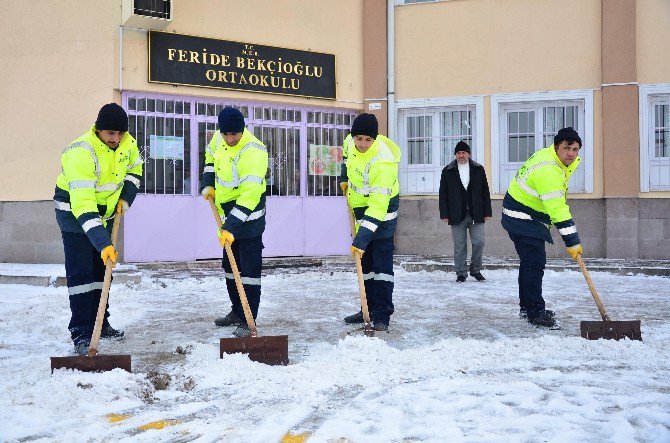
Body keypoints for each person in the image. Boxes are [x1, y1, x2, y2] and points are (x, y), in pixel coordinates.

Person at [53, 103, 143, 355]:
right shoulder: (80, 152)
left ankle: (100, 324)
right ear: (98, 130)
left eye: (119, 134)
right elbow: (83, 205)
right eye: (109, 134)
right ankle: (81, 332)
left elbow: (135, 170)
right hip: (74, 215)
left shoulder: (127, 144)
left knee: (101, 274)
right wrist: (103, 243)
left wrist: (125, 199)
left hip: (106, 214)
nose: (115, 139)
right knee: (81, 275)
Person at [501, 127, 583, 328]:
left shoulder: (550, 158)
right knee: (535, 262)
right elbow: (557, 209)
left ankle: (527, 307)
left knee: (529, 262)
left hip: (524, 214)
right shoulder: (549, 170)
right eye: (567, 148)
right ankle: (535, 311)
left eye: (575, 149)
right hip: (522, 217)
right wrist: (572, 242)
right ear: (556, 147)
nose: (571, 153)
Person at [202, 107, 268, 338]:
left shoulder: (254, 151)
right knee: (231, 268)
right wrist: (208, 182)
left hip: (248, 219)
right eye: (226, 134)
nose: (230, 139)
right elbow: (210, 156)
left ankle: (249, 318)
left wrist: (231, 226)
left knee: (249, 272)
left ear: (243, 130)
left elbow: (250, 195)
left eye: (235, 135)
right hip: (226, 216)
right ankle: (237, 312)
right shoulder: (217, 139)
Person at [340, 113, 401, 332]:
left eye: (368, 140)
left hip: (382, 214)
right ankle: (367, 307)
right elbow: (346, 159)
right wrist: (343, 178)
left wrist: (362, 236)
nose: (363, 144)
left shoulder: (383, 162)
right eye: (359, 139)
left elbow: (378, 205)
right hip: (360, 209)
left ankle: (382, 314)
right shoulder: (349, 142)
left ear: (375, 139)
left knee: (381, 266)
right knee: (364, 266)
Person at [439, 140, 492, 283]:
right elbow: (443, 194)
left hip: (477, 213)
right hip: (456, 214)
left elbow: (485, 192)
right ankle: (461, 272)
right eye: (458, 153)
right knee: (459, 245)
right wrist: (444, 214)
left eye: (463, 152)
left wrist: (487, 212)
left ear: (468, 154)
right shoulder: (447, 170)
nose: (461, 155)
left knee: (479, 242)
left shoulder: (478, 169)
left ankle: (475, 270)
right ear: (455, 155)